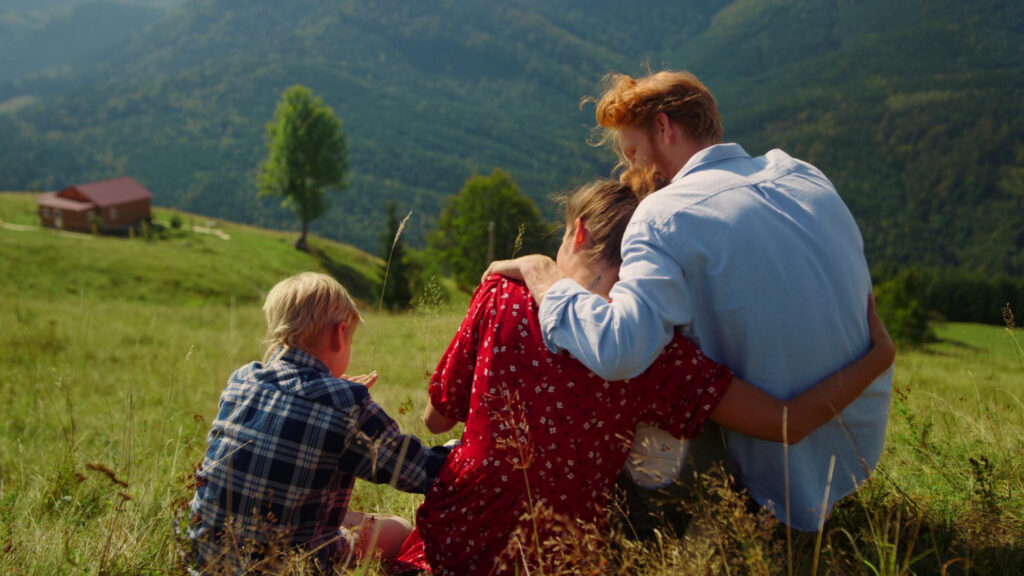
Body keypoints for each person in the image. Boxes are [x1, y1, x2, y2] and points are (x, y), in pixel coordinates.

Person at [391, 179, 894, 575]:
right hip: (562, 560)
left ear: (579, 231)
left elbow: (436, 420)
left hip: (452, 545)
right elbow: (787, 422)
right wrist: (876, 359)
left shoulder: (501, 295)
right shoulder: (653, 358)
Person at [487, 70, 894, 531]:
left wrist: (542, 271)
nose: (634, 172)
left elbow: (619, 349)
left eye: (633, 151)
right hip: (854, 453)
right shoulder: (802, 174)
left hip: (768, 477)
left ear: (664, 127)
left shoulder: (664, 214)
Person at [187, 272, 449, 574]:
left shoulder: (242, 379)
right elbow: (417, 472)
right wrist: (455, 452)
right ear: (339, 334)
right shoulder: (344, 404)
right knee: (396, 528)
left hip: (205, 561)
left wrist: (335, 394)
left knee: (338, 515)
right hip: (287, 566)